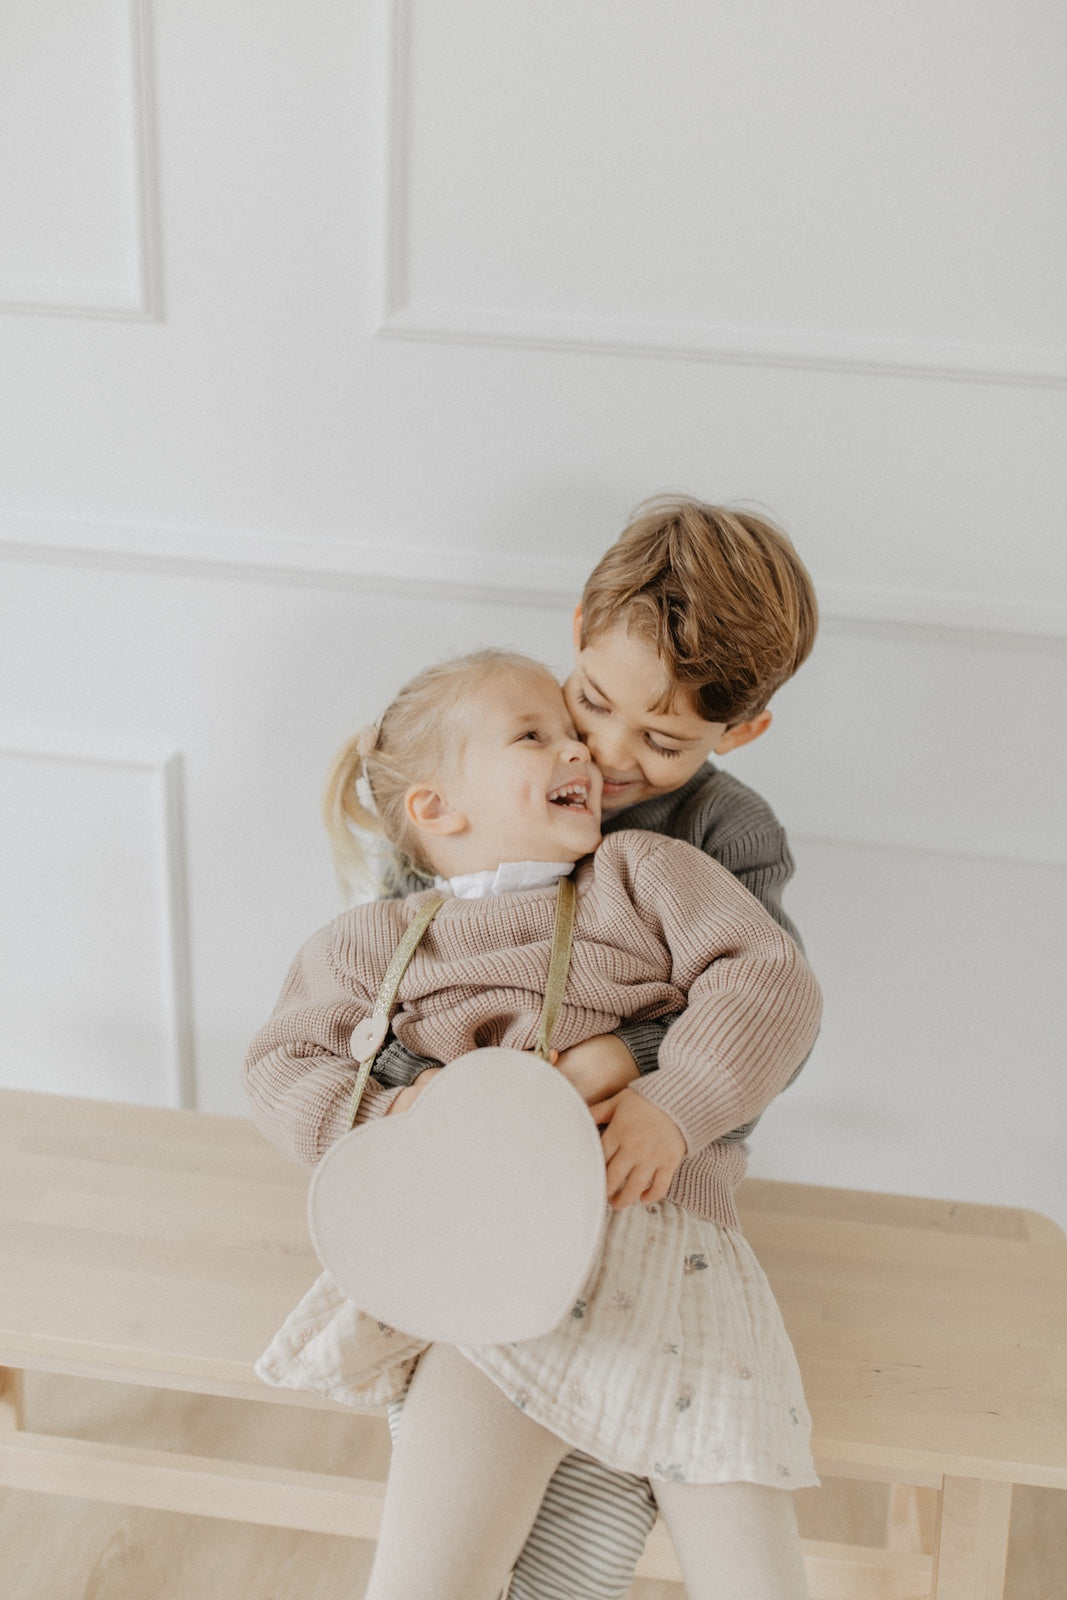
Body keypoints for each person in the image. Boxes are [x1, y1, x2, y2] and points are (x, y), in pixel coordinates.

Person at [245, 648, 822, 1600]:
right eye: (535, 735)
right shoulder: (368, 946)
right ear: (435, 808)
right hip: (489, 1272)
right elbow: (280, 1062)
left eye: (569, 731)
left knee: (758, 1581)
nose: (580, 754)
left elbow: (769, 980)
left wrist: (672, 1108)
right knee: (426, 1581)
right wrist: (399, 1113)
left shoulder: (646, 873)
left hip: (673, 1255)